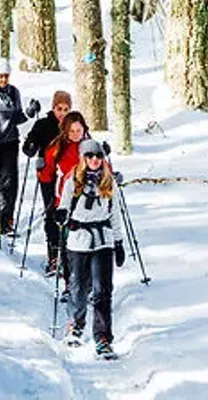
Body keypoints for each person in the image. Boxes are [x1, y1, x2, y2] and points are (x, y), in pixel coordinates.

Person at [54, 139, 125, 359]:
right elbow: (64, 205)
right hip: (78, 241)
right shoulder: (72, 181)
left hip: (103, 240)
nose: (95, 160)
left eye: (99, 156)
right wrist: (61, 214)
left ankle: (103, 337)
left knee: (103, 290)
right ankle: (76, 324)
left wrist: (119, 242)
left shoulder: (108, 181)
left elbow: (115, 213)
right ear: (83, 158)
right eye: (90, 156)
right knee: (78, 287)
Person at [22, 91, 72, 272]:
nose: (63, 113)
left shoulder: (73, 125)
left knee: (68, 213)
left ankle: (69, 254)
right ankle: (54, 255)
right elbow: (29, 144)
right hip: (48, 175)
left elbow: (85, 142)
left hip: (69, 177)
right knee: (51, 212)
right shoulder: (43, 124)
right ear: (53, 107)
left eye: (66, 109)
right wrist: (32, 148)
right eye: (60, 109)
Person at [38, 111, 90, 280]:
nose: (76, 134)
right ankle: (70, 283)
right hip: (66, 198)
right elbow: (47, 173)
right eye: (72, 131)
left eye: (78, 130)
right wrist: (42, 169)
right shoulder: (57, 146)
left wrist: (113, 175)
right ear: (66, 131)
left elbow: (103, 167)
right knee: (68, 242)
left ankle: (87, 284)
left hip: (89, 199)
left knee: (88, 241)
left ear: (84, 129)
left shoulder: (90, 146)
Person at [0, 57, 28, 233]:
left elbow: (18, 117)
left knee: (10, 182)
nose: (3, 80)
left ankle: (6, 220)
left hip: (10, 143)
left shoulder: (14, 92)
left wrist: (30, 113)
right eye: (0, 76)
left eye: (6, 76)